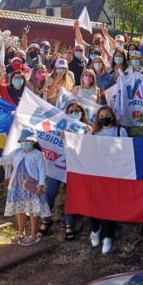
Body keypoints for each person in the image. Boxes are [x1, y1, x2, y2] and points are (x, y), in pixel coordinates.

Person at [39, 102, 90, 241]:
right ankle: (46, 220)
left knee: (70, 197)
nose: (74, 113)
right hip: (56, 167)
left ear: (82, 114)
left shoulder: (87, 129)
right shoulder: (57, 126)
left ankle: (69, 225)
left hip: (74, 169)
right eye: (71, 111)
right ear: (65, 114)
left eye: (77, 111)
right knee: (50, 194)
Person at [0, 129, 50, 246]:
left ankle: (33, 235)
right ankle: (21, 233)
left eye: (28, 140)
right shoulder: (17, 153)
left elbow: (41, 170)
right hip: (17, 185)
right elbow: (5, 160)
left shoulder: (38, 154)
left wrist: (41, 184)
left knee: (32, 210)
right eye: (23, 140)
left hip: (32, 186)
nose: (25, 142)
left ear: (33, 142)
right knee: (20, 209)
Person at [88, 106, 127, 254]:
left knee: (109, 206)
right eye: (101, 115)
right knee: (93, 204)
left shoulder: (120, 131)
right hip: (97, 174)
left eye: (107, 114)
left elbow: (126, 150)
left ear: (112, 116)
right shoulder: (94, 133)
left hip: (113, 174)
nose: (104, 117)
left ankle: (108, 237)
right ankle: (95, 229)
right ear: (98, 118)